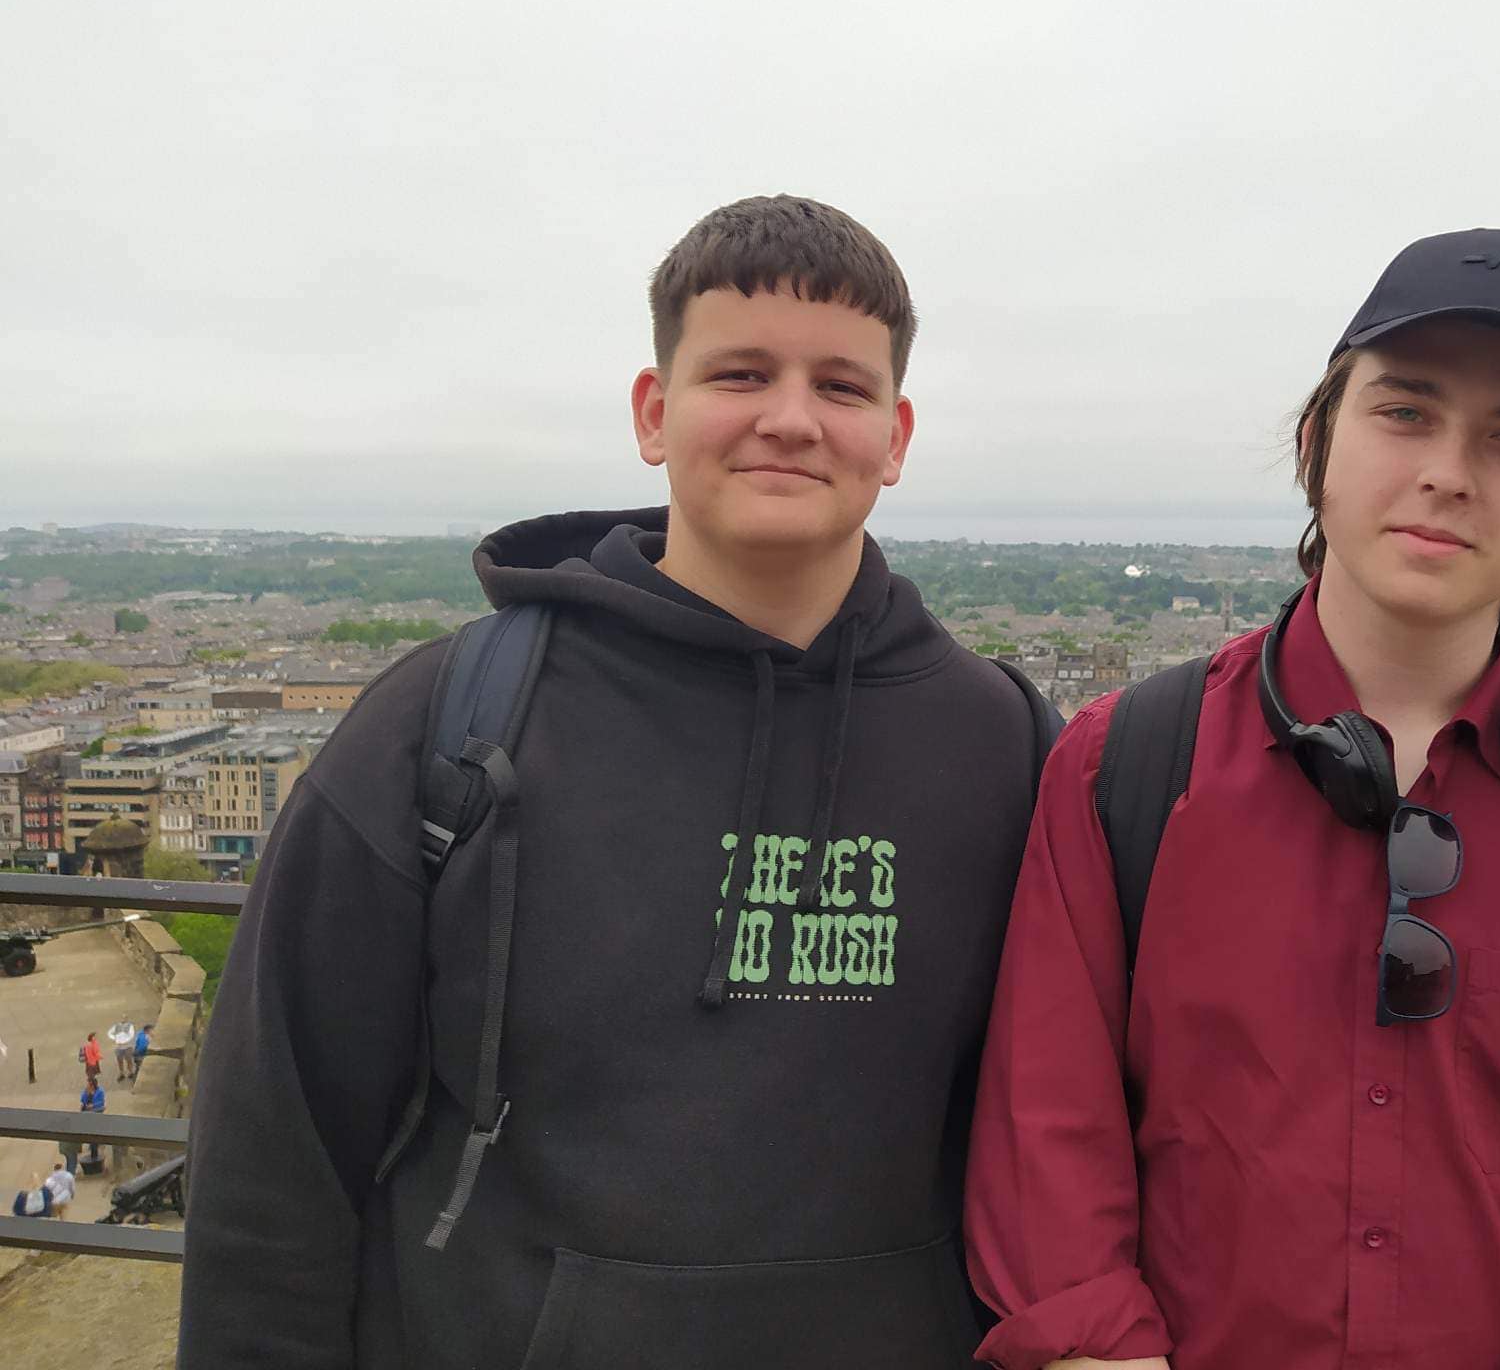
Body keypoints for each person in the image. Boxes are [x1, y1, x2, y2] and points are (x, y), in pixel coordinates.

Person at [181, 195, 1052, 1368]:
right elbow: (274, 1159)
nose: (790, 419)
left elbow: (1069, 1137)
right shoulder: (447, 723)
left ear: (894, 436)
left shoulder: (1006, 746)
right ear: (654, 411)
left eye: (840, 387)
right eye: (739, 374)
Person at [965, 230, 1500, 1369]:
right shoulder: (1120, 770)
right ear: (1315, 438)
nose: (1448, 472)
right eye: (1404, 412)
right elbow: (1045, 1140)